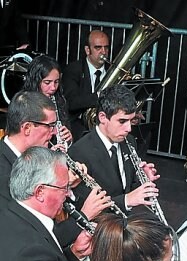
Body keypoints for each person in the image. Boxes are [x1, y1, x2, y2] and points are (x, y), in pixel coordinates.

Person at [0, 91, 109, 244]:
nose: (55, 133)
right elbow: (29, 236)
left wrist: (64, 186)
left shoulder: (39, 158)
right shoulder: (3, 172)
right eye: (50, 126)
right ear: (27, 128)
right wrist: (83, 216)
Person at [68, 84, 160, 214]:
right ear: (103, 117)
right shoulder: (80, 152)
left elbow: (128, 188)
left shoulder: (129, 141)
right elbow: (84, 208)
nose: (128, 128)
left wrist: (142, 180)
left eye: (131, 120)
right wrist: (126, 201)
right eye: (122, 121)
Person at [62, 30, 111, 140]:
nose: (104, 52)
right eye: (98, 48)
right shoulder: (74, 69)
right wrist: (99, 96)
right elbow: (71, 102)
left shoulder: (112, 70)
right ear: (87, 50)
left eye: (106, 47)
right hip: (80, 123)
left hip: (106, 122)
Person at [23, 54, 74, 148]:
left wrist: (69, 139)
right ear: (36, 81)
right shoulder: (24, 104)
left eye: (56, 82)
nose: (53, 88)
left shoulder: (59, 101)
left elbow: (65, 128)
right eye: (47, 82)